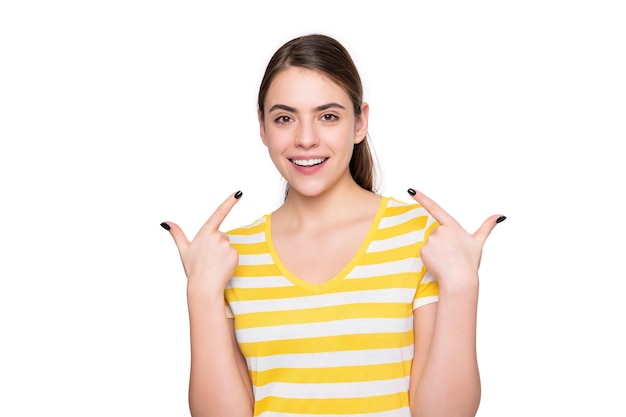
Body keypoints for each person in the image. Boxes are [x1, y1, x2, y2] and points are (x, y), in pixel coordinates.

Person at [161, 33, 506, 417]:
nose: (305, 139)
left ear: (360, 123)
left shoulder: (422, 241)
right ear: (262, 128)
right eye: (284, 118)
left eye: (328, 116)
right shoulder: (227, 256)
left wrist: (462, 287)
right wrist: (201, 294)